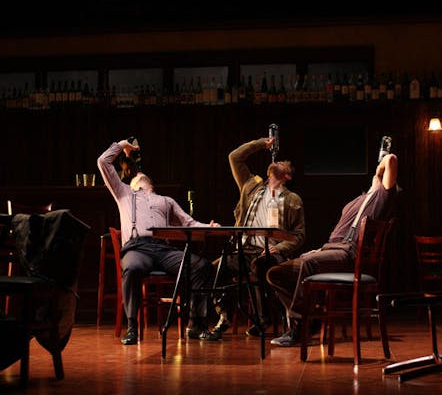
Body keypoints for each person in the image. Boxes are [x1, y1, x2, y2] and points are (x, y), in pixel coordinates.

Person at [266, 152, 399, 347]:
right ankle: (311, 319)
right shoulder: (361, 199)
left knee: (307, 264)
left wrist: (379, 172)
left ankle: (300, 325)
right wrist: (320, 250)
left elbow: (392, 159)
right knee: (275, 273)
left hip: (348, 254)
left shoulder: (382, 197)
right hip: (333, 249)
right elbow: (340, 235)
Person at [97, 139, 220, 345]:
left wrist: (209, 227)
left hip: (163, 250)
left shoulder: (165, 200)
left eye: (142, 177)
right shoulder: (124, 193)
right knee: (133, 268)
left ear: (151, 184)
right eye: (135, 177)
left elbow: (188, 222)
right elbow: (103, 162)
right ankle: (132, 328)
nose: (138, 176)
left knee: (201, 266)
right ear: (131, 183)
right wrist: (122, 145)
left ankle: (196, 324)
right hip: (137, 248)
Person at [207, 137, 306, 340]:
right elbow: (234, 157)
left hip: (271, 252)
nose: (277, 162)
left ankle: (262, 319)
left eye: (282, 164)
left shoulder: (292, 199)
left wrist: (282, 248)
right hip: (244, 249)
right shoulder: (251, 186)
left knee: (258, 266)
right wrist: (261, 144)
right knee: (212, 270)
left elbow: (299, 234)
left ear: (287, 176)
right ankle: (223, 315)